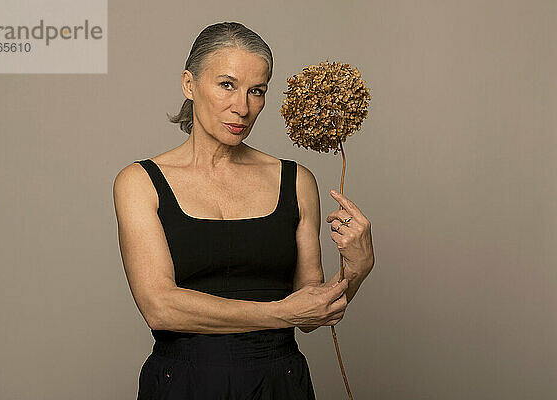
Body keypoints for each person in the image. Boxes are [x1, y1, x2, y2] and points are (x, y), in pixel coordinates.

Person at [113, 21, 375, 400]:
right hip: (182, 386)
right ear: (190, 85)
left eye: (257, 91)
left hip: (279, 384)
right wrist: (280, 314)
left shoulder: (296, 180)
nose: (242, 107)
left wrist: (358, 268)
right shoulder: (139, 182)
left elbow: (313, 310)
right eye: (227, 85)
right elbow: (160, 307)